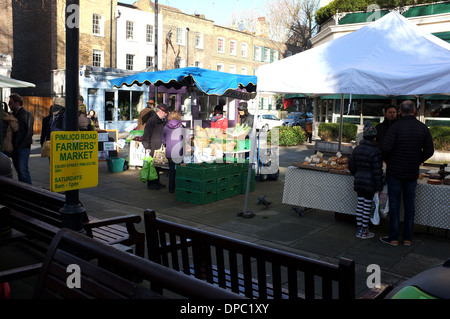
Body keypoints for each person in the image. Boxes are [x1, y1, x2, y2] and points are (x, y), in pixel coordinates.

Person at [380, 100, 434, 246]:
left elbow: (385, 149)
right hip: (411, 171)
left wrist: (390, 161)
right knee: (410, 204)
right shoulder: (423, 128)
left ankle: (394, 238)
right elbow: (429, 151)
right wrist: (417, 160)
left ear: (400, 112)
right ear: (415, 111)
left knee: (395, 204)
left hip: (395, 171)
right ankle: (408, 238)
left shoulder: (395, 127)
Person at [348, 120, 384, 239]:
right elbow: (377, 171)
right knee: (367, 206)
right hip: (370, 183)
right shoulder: (376, 151)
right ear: (374, 137)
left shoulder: (357, 149)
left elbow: (351, 166)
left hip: (359, 181)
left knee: (360, 205)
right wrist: (379, 187)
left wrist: (357, 174)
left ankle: (359, 230)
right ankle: (364, 231)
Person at [8, 93, 34, 184]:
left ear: (17, 103)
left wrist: (21, 145)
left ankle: (29, 191)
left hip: (22, 148)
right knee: (19, 172)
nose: (9, 105)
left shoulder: (27, 114)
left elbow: (29, 132)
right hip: (14, 148)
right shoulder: (12, 115)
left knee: (23, 172)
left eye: (10, 103)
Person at [142, 103, 168, 190]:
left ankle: (157, 182)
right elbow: (146, 135)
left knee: (157, 166)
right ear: (160, 111)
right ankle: (151, 184)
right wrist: (147, 147)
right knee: (153, 167)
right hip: (153, 147)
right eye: (165, 112)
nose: (166, 114)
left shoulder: (161, 121)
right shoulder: (152, 121)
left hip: (158, 147)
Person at [161, 110, 186, 193]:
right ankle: (180, 188)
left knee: (171, 171)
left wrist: (167, 143)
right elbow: (187, 139)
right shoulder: (181, 126)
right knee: (180, 171)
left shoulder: (165, 127)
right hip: (179, 151)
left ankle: (171, 189)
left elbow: (163, 140)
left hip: (169, 151)